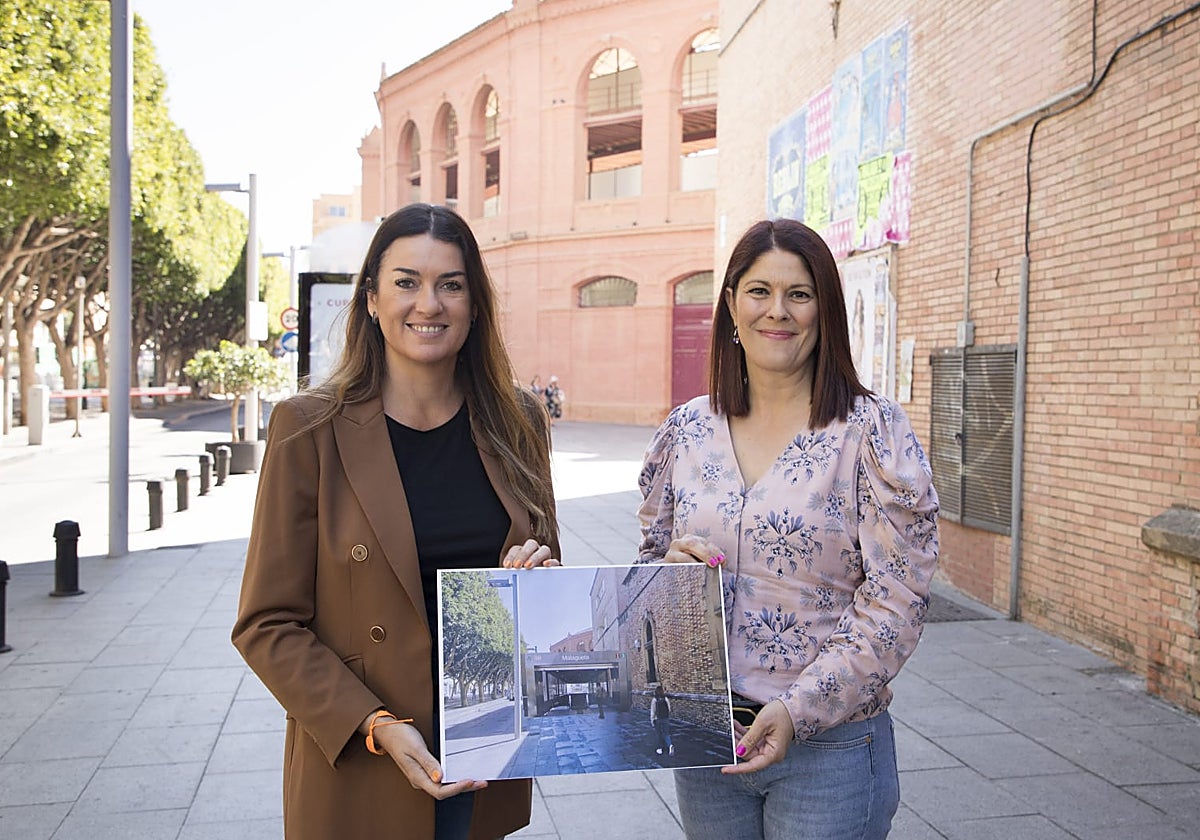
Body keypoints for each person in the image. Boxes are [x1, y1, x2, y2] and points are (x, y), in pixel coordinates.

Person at [232, 203, 562, 840]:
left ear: (474, 304)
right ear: (373, 300)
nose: (429, 304)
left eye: (451, 284)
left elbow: (549, 583)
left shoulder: (518, 420)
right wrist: (375, 724)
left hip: (485, 756)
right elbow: (266, 624)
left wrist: (534, 577)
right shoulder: (308, 428)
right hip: (363, 761)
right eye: (407, 282)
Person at [636, 218, 938, 840]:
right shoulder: (687, 430)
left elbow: (898, 600)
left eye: (799, 294)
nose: (779, 311)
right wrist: (667, 573)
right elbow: (643, 571)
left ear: (825, 308)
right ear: (730, 302)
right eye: (759, 291)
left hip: (829, 749)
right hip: (707, 742)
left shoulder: (870, 432)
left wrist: (799, 710)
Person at [650, 684, 675, 757]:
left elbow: (653, 711)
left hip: (658, 719)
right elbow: (669, 709)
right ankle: (670, 745)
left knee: (659, 734)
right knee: (666, 733)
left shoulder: (655, 699)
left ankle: (660, 749)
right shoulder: (666, 698)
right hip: (665, 718)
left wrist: (652, 720)